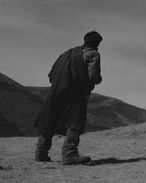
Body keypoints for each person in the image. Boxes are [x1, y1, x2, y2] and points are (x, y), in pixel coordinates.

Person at [33, 31, 103, 165]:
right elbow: (93, 77)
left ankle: (40, 152)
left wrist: (60, 84)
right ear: (97, 43)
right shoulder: (93, 54)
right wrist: (97, 79)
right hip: (76, 93)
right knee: (75, 122)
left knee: (50, 119)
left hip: (57, 90)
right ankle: (69, 154)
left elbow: (51, 74)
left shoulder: (67, 53)